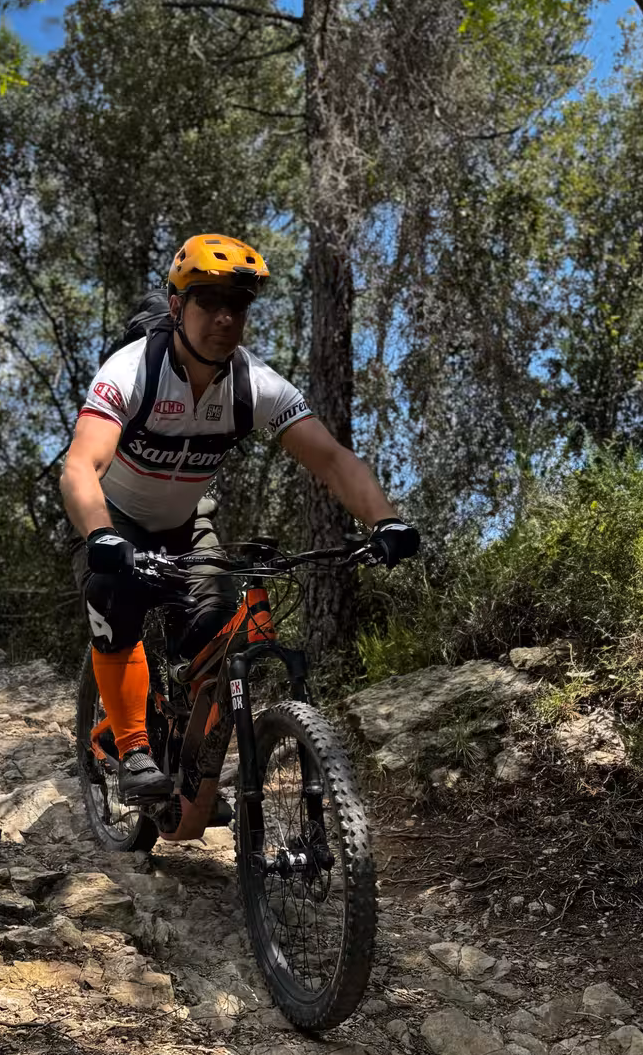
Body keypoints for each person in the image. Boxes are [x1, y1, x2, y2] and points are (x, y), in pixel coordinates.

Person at [60, 232, 419, 800]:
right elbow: (81, 464)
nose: (225, 318)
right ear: (177, 307)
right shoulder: (132, 371)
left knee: (218, 631)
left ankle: (188, 763)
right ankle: (130, 749)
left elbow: (331, 459)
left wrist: (385, 520)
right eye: (209, 302)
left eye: (239, 305)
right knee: (114, 598)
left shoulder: (256, 386)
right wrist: (101, 535)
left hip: (187, 525)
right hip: (114, 518)